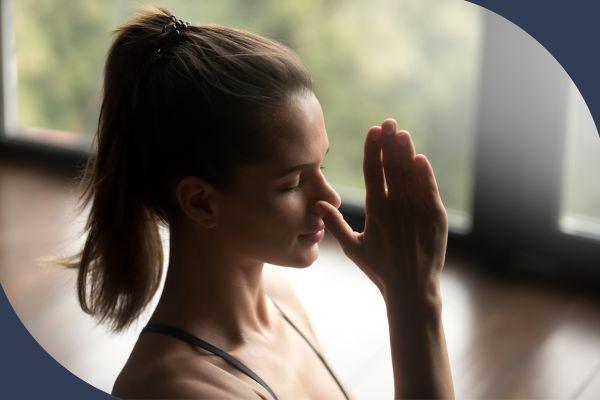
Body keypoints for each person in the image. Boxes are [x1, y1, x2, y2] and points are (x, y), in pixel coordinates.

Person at [64, 7, 454, 399]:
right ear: (201, 202)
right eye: (292, 183)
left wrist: (410, 290)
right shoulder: (176, 388)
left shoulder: (277, 298)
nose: (329, 198)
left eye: (323, 165)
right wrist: (414, 299)